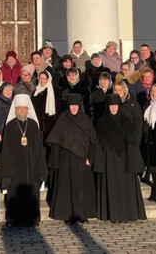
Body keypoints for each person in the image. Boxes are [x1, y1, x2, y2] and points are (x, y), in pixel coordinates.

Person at [46, 94, 99, 223]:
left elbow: (93, 142)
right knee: (67, 188)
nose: (73, 108)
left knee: (82, 188)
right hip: (66, 160)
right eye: (71, 106)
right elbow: (56, 142)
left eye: (75, 106)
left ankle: (83, 214)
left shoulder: (85, 120)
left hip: (82, 160)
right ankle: (68, 215)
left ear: (79, 106)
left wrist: (90, 159)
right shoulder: (62, 119)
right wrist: (56, 161)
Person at [94, 94, 147, 221]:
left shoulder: (126, 121)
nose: (113, 109)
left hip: (124, 160)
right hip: (109, 160)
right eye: (111, 106)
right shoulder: (101, 122)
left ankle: (125, 213)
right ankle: (112, 214)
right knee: (111, 186)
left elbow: (132, 140)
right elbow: (98, 141)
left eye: (116, 106)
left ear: (119, 107)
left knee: (124, 187)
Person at [0, 94, 48, 226]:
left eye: (24, 108)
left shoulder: (33, 125)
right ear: (15, 109)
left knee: (31, 191)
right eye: (19, 108)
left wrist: (40, 167)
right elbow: (6, 149)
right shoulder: (10, 125)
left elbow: (38, 148)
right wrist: (7, 170)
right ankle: (12, 219)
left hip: (31, 165)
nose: (22, 111)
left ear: (28, 109)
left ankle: (33, 218)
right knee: (14, 192)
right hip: (15, 166)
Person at [33, 70, 58, 138]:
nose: (42, 80)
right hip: (38, 121)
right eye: (40, 78)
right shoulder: (36, 91)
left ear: (48, 79)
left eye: (44, 79)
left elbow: (57, 108)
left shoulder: (54, 91)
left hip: (50, 121)